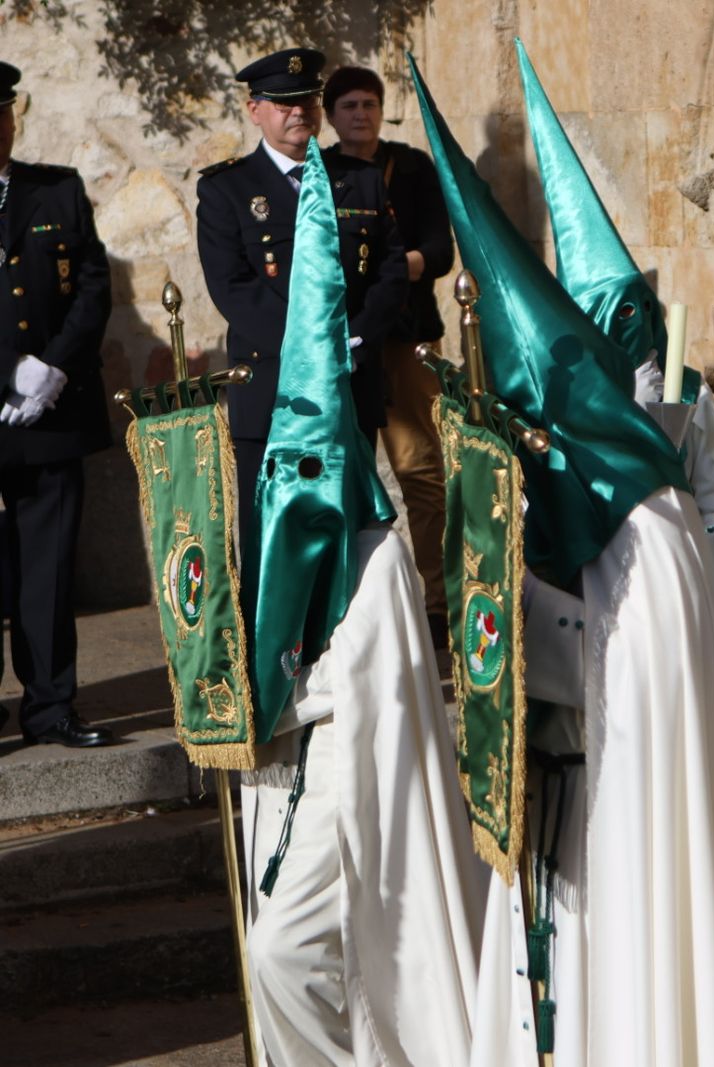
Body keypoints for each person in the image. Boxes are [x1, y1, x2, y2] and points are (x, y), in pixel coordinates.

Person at [414, 57, 714, 1064]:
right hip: (558, 801)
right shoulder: (613, 492)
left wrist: (512, 616)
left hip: (609, 804)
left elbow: (615, 645)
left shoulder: (646, 511)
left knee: (624, 966)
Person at [238, 140, 530, 1067]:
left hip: (362, 801)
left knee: (312, 960)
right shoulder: (300, 538)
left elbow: (370, 701)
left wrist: (284, 692)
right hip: (305, 786)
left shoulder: (373, 572)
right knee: (278, 959)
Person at [517, 41, 714, 797]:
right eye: (607, 319)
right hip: (581, 663)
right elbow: (526, 532)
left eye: (637, 313)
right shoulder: (547, 413)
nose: (628, 331)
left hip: (670, 644)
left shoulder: (689, 397)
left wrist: (674, 555)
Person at [194, 48, 407, 567]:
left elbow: (391, 270)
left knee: (351, 530)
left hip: (349, 380)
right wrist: (310, 349)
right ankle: (272, 649)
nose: (299, 113)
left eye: (308, 101)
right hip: (273, 388)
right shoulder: (228, 188)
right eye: (284, 103)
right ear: (255, 110)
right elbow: (232, 287)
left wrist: (351, 340)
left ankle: (350, 648)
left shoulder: (359, 179)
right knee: (271, 539)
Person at [0, 62, 114, 747]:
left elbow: (93, 285)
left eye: (1, 111)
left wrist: (53, 369)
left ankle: (50, 706)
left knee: (48, 569)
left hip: (49, 411)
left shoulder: (58, 192)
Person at [323, 65, 454, 648]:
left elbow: (438, 251)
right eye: (349, 105)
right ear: (331, 115)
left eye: (370, 103)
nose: (361, 114)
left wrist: (388, 273)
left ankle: (437, 605)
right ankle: (348, 606)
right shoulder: (320, 171)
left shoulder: (413, 168)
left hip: (406, 340)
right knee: (343, 468)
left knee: (422, 471)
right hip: (345, 343)